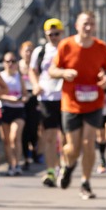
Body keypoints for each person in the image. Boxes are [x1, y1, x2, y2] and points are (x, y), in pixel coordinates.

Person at [47, 10, 106, 200]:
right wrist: (64, 73)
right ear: (77, 26)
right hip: (71, 102)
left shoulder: (101, 47)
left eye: (91, 24)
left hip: (94, 101)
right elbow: (52, 70)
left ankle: (85, 182)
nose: (88, 27)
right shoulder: (66, 45)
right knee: (72, 148)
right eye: (85, 23)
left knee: (88, 142)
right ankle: (68, 166)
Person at [29, 19, 68, 185]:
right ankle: (51, 170)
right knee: (49, 136)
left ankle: (65, 167)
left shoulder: (67, 49)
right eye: (50, 34)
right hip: (46, 97)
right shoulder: (40, 51)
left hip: (65, 97)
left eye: (56, 34)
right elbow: (32, 70)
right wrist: (36, 84)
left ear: (62, 33)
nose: (53, 37)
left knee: (66, 137)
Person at [0, 50, 29, 176]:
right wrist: (10, 99)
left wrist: (23, 99)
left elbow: (25, 94)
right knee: (6, 140)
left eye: (13, 61)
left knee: (15, 137)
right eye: (7, 61)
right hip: (5, 109)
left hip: (18, 110)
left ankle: (17, 163)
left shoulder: (18, 77)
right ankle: (11, 164)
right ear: (4, 63)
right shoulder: (1, 77)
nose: (10, 64)